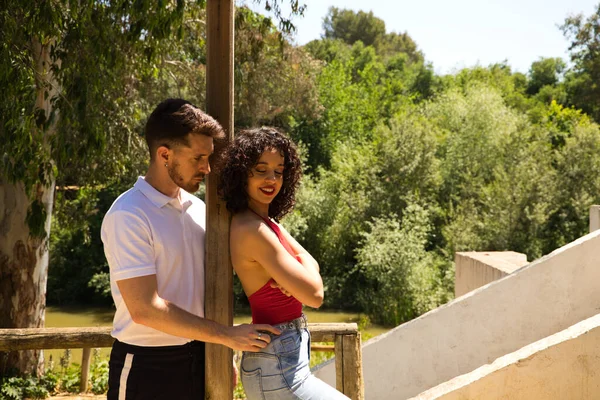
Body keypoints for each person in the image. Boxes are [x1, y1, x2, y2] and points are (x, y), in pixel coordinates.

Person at [101, 99, 280, 400]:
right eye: (198, 157)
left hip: (201, 357)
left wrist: (224, 352)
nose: (207, 168)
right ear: (164, 154)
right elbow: (145, 309)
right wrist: (226, 336)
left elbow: (210, 291)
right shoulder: (128, 214)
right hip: (147, 367)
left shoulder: (200, 210)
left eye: (208, 157)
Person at [218, 127, 349, 400]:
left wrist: (300, 269)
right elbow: (315, 295)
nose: (271, 179)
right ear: (242, 172)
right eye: (261, 170)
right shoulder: (252, 229)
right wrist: (300, 274)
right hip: (276, 363)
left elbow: (312, 265)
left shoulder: (267, 222)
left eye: (278, 171)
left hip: (283, 359)